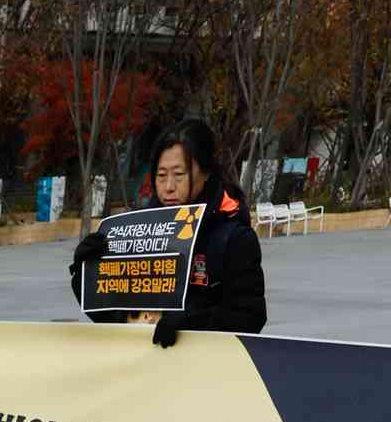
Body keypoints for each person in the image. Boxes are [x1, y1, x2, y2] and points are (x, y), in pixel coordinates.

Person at [69, 119, 267, 345]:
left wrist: (190, 323)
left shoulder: (233, 237)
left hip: (206, 370)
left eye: (179, 174)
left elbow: (250, 317)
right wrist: (86, 273)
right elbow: (115, 318)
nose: (169, 186)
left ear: (206, 172)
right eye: (161, 175)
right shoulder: (138, 231)